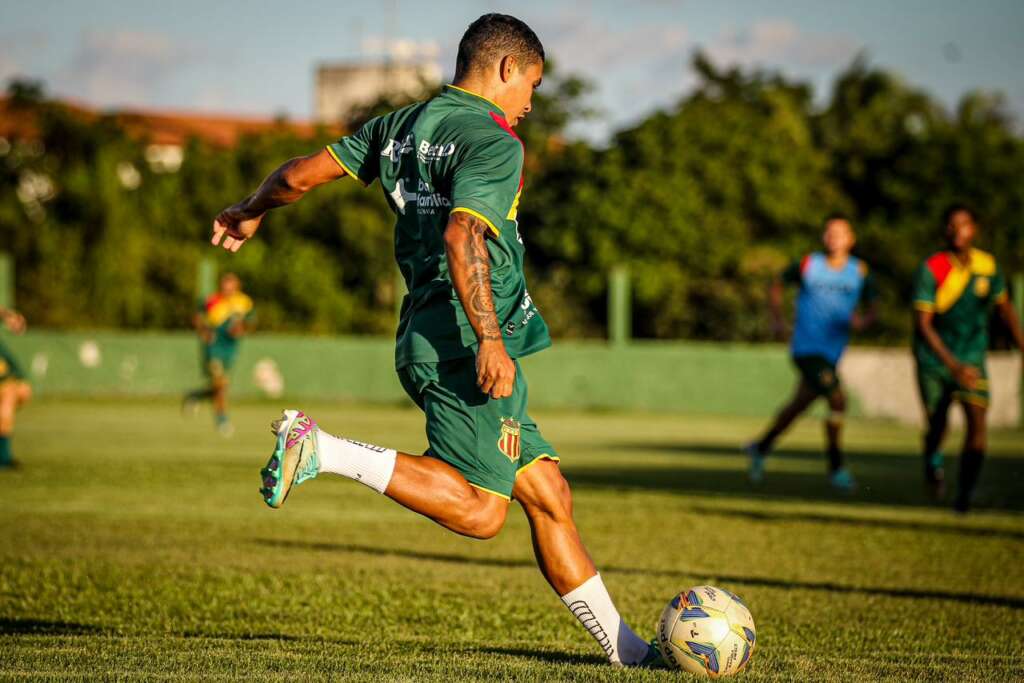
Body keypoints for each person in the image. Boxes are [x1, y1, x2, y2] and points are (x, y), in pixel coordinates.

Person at [208, 14, 662, 667]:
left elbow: (302, 175)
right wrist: (488, 339)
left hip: (428, 328)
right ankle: (322, 449)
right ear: (506, 69)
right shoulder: (496, 142)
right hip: (461, 337)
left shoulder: (400, 126)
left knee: (547, 493)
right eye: (531, 84)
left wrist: (250, 207)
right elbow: (461, 235)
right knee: (481, 510)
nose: (530, 103)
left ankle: (628, 652)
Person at [746, 214, 878, 491]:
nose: (834, 238)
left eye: (840, 233)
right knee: (837, 399)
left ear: (851, 239)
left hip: (832, 352)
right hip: (805, 348)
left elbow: (873, 306)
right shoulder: (809, 264)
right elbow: (776, 284)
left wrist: (864, 320)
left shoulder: (859, 271)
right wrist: (777, 319)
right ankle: (836, 467)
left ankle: (761, 447)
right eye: (829, 232)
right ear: (823, 237)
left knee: (798, 406)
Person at [912, 205, 1024, 513]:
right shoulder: (932, 268)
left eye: (962, 224)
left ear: (974, 229)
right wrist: (952, 366)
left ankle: (964, 495)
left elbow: (1006, 312)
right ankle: (932, 461)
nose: (956, 230)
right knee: (939, 424)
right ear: (943, 230)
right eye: (950, 225)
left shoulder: (988, 267)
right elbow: (923, 324)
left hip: (972, 358)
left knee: (977, 422)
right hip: (935, 360)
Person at [184, 272, 254, 436]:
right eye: (225, 285)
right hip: (214, 347)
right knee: (220, 383)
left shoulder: (244, 302)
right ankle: (222, 420)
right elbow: (197, 317)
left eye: (231, 286)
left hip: (230, 347)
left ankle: (196, 396)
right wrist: (204, 332)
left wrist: (241, 329)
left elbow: (250, 321)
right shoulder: (211, 300)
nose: (227, 289)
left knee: (221, 386)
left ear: (237, 287)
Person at [0, 306, 31, 468]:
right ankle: (4, 457)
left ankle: (4, 457)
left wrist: (9, 316)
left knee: (16, 395)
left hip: (7, 382)